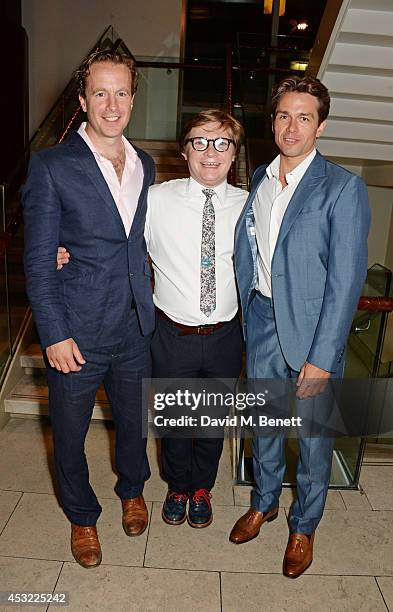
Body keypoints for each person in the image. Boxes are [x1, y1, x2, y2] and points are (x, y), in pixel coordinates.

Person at [229, 76, 370, 577]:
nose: (292, 126)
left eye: (304, 117)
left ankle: (303, 526)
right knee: (264, 425)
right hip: (262, 319)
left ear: (321, 126)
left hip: (313, 333)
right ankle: (264, 501)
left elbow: (347, 281)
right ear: (273, 122)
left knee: (313, 438)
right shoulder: (262, 178)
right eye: (284, 115)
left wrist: (321, 354)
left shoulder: (343, 187)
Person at [23, 49, 155, 569]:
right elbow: (38, 260)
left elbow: (139, 240)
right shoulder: (52, 165)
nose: (111, 103)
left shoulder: (145, 163)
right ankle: (81, 516)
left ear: (133, 98)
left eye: (121, 92)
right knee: (71, 435)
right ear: (82, 100)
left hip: (134, 327)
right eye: (100, 92)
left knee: (133, 424)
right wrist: (53, 333)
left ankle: (132, 490)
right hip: (75, 331)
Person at [147, 110, 247, 528]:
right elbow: (116, 243)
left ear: (234, 153)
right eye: (201, 141)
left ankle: (202, 486)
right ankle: (177, 485)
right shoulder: (154, 200)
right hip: (172, 332)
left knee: (210, 422)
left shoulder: (249, 205)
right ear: (185, 150)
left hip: (226, 334)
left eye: (222, 143)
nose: (211, 152)